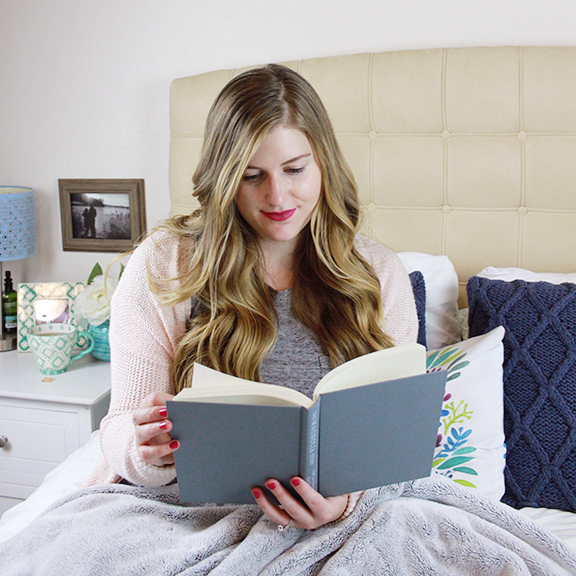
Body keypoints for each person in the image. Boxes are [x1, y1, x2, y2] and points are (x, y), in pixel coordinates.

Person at [87, 64, 418, 530]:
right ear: (224, 179)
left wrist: (344, 505)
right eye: (251, 176)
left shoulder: (378, 273)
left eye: (295, 169)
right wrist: (145, 451)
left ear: (324, 163)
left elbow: (393, 445)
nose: (277, 196)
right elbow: (120, 427)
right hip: (189, 514)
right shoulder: (165, 263)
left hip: (340, 517)